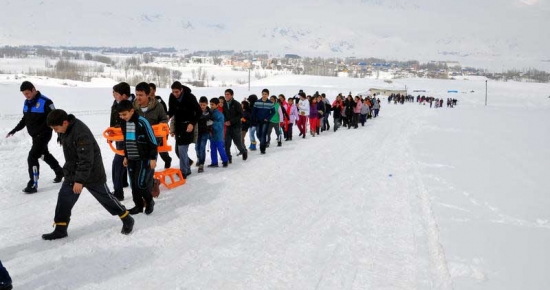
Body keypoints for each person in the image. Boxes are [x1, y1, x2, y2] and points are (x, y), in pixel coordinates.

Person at [43, 109, 134, 240]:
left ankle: (126, 218)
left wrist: (79, 181)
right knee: (64, 199)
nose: (55, 131)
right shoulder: (65, 129)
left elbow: (86, 160)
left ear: (64, 122)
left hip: (92, 173)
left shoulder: (81, 133)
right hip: (72, 171)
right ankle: (60, 229)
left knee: (106, 198)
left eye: (56, 128)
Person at [6, 81, 64, 193]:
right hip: (35, 136)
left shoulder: (46, 102)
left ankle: (33, 184)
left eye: (27, 93)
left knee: (32, 157)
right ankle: (59, 171)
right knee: (43, 154)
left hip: (43, 134)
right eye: (24, 94)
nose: (26, 96)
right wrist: (15, 130)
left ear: (33, 89)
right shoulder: (27, 102)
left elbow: (56, 118)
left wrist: (60, 134)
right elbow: (25, 119)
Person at [118, 100, 157, 215]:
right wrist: (126, 156)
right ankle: (138, 205)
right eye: (120, 115)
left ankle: (150, 201)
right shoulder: (124, 123)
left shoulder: (142, 122)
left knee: (140, 184)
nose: (122, 117)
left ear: (131, 111)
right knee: (133, 184)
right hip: (131, 159)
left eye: (124, 114)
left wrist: (153, 157)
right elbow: (126, 140)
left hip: (143, 158)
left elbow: (152, 140)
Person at [167, 81, 202, 178]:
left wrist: (192, 123)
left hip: (188, 126)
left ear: (181, 89)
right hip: (178, 126)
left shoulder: (190, 97)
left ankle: (183, 171)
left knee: (182, 148)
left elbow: (199, 112)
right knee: (178, 150)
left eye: (177, 92)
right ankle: (187, 167)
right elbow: (171, 110)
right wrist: (168, 116)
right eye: (173, 92)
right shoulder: (172, 97)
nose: (175, 94)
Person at [110, 82, 132, 201]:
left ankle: (119, 193)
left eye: (116, 93)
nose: (113, 95)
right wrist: (110, 133)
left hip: (131, 141)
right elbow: (113, 121)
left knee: (119, 165)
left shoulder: (133, 106)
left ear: (124, 95)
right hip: (119, 139)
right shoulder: (115, 104)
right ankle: (121, 187)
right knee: (118, 165)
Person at [148, 83, 172, 168]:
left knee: (161, 150)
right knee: (153, 150)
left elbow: (164, 116)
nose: (149, 91)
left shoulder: (159, 101)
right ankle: (151, 171)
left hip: (160, 130)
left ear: (154, 90)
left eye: (151, 89)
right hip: (149, 130)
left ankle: (167, 159)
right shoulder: (145, 102)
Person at [223, 89, 248, 163]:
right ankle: (228, 158)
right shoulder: (223, 104)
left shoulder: (236, 104)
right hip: (227, 127)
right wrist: (225, 121)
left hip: (236, 127)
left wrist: (231, 121)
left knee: (238, 143)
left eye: (228, 94)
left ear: (232, 95)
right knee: (227, 143)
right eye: (225, 94)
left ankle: (243, 151)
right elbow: (223, 114)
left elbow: (241, 115)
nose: (226, 96)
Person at [251, 89, 275, 154]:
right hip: (258, 121)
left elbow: (273, 112)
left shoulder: (270, 103)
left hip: (265, 121)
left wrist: (268, 118)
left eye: (266, 94)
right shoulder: (257, 102)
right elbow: (254, 112)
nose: (264, 95)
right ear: (261, 94)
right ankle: (263, 142)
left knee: (263, 134)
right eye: (263, 94)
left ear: (268, 95)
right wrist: (255, 119)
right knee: (258, 133)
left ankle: (262, 149)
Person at [208, 98, 229, 167]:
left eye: (213, 104)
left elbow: (220, 125)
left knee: (220, 148)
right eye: (210, 104)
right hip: (212, 135)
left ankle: (225, 160)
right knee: (212, 149)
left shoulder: (220, 114)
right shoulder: (210, 112)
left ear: (217, 105)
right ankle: (214, 162)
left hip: (219, 135)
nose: (211, 106)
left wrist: (212, 123)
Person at [196, 97, 213, 173]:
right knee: (197, 148)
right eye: (200, 104)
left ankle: (201, 164)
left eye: (203, 105)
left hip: (205, 133)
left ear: (206, 104)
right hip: (197, 133)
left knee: (202, 148)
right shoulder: (196, 111)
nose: (202, 106)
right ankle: (199, 158)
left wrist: (209, 128)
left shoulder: (209, 112)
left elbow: (211, 122)